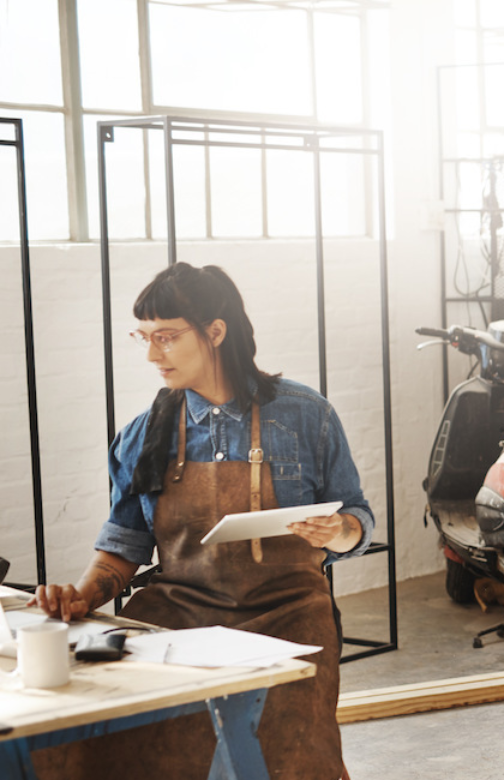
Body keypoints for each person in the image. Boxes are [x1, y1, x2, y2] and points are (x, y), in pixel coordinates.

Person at [29, 262, 373, 780]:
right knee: (88, 727)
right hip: (179, 615)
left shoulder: (306, 415)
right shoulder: (143, 434)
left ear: (215, 331)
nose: (151, 354)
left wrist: (340, 531)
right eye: (144, 337)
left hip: (290, 615)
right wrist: (82, 595)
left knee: (291, 745)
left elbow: (357, 519)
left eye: (166, 337)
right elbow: (123, 545)